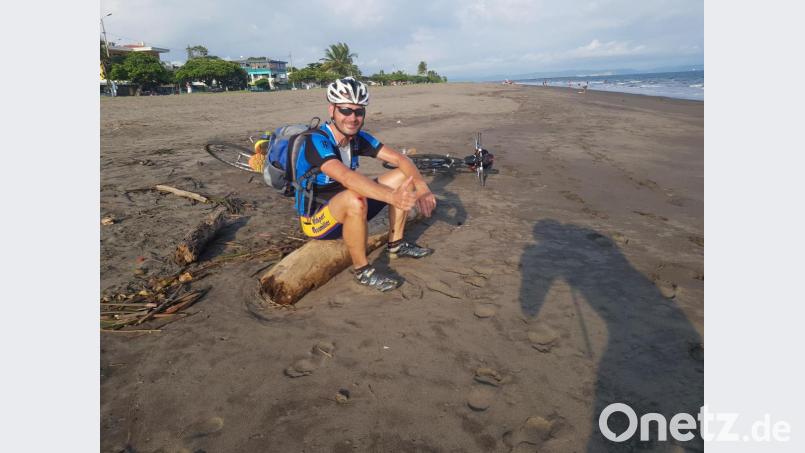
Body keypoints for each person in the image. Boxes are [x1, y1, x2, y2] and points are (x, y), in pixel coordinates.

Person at [292, 77, 437, 292]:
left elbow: (401, 159)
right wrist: (391, 197)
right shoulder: (316, 140)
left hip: (349, 206)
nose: (352, 118)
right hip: (316, 220)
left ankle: (396, 244)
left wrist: (422, 188)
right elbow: (346, 178)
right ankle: (362, 270)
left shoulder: (358, 138)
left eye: (359, 112)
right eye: (345, 110)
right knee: (354, 197)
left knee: (402, 177)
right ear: (332, 110)